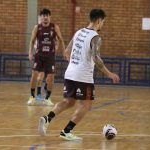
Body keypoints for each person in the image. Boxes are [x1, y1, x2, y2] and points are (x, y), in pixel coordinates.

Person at [38, 9, 120, 140]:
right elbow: (96, 59)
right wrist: (109, 73)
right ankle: (66, 131)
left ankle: (47, 118)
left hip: (70, 73)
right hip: (83, 76)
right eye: (103, 22)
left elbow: (67, 49)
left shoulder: (79, 32)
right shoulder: (95, 37)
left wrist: (71, 56)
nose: (103, 24)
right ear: (99, 21)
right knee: (86, 105)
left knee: (69, 102)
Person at [28, 8, 66, 106]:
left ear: (50, 17)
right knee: (34, 76)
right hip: (39, 56)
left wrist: (64, 51)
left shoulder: (55, 27)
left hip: (50, 56)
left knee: (51, 77)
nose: (45, 17)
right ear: (40, 17)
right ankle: (32, 96)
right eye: (43, 16)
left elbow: (61, 40)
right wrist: (30, 53)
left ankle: (47, 98)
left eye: (47, 15)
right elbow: (32, 41)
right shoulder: (37, 27)